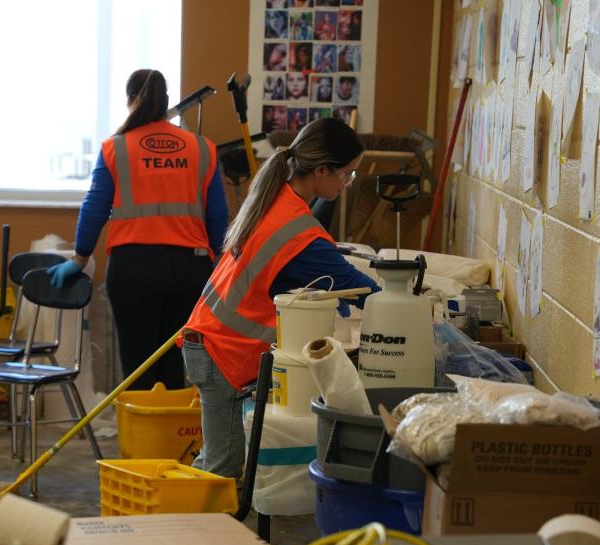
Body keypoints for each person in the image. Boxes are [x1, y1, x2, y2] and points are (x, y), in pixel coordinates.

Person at [180, 118, 378, 478]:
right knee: (223, 466)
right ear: (321, 171)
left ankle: (183, 521)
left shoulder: (277, 199)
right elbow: (362, 289)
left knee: (215, 457)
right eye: (347, 175)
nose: (348, 184)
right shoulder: (297, 231)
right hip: (221, 350)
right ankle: (191, 530)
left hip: (210, 341)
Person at [48, 70, 229, 391]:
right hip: (190, 268)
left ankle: (140, 439)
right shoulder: (202, 148)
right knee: (174, 363)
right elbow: (218, 213)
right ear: (167, 103)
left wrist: (79, 258)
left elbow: (94, 208)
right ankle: (170, 440)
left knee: (137, 366)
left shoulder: (115, 148)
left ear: (130, 101)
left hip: (133, 269)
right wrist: (217, 262)